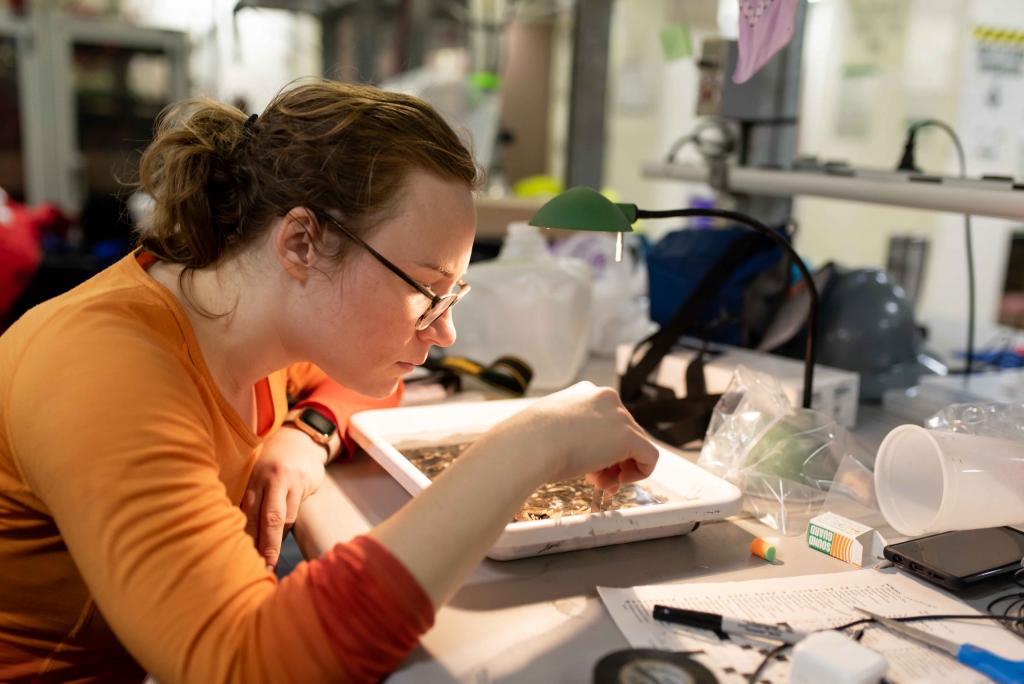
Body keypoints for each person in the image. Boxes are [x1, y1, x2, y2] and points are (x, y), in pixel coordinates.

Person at [0, 79, 658, 684]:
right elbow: (247, 664)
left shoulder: (244, 319)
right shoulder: (108, 370)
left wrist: (306, 433)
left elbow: (357, 382)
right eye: (425, 291)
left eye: (452, 294)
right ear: (300, 243)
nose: (444, 333)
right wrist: (527, 445)